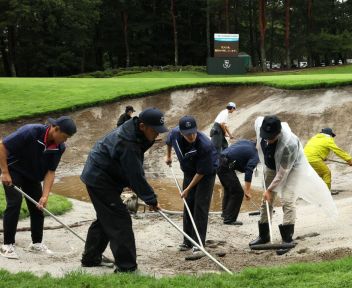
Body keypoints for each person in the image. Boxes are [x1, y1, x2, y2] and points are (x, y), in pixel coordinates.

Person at [80, 108, 167, 273]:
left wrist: (145, 195)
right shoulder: (128, 142)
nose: (157, 134)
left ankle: (90, 259)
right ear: (142, 126)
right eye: (155, 130)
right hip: (99, 178)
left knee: (107, 218)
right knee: (120, 221)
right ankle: (126, 267)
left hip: (106, 175)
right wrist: (151, 199)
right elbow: (135, 175)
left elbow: (132, 171)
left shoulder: (135, 131)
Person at [249, 115, 337, 255]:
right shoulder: (261, 124)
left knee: (287, 200)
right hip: (271, 166)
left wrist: (270, 189)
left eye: (271, 137)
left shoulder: (289, 144)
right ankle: (264, 235)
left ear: (278, 133)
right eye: (266, 136)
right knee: (266, 200)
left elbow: (282, 174)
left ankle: (287, 239)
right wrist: (268, 192)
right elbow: (259, 136)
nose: (268, 139)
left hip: (292, 169)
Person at [0, 116, 77, 259]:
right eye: (65, 137)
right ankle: (7, 245)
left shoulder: (60, 147)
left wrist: (45, 195)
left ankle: (36, 243)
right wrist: (4, 172)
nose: (65, 140)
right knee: (14, 203)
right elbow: (2, 146)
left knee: (38, 206)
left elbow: (50, 172)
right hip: (14, 170)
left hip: (33, 176)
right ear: (56, 129)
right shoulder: (31, 132)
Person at [165, 116, 218, 256]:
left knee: (200, 206)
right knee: (188, 204)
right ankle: (187, 240)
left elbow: (201, 172)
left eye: (194, 132)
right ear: (181, 132)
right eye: (188, 133)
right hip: (189, 171)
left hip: (206, 174)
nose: (192, 136)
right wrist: (168, 156)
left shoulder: (205, 145)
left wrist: (187, 189)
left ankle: (198, 243)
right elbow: (168, 141)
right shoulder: (175, 134)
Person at [217, 140, 259, 225]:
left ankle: (226, 214)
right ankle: (229, 219)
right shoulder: (255, 154)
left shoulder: (246, 142)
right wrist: (247, 191)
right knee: (238, 192)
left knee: (229, 189)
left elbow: (234, 152)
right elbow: (249, 171)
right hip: (225, 166)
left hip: (219, 161)